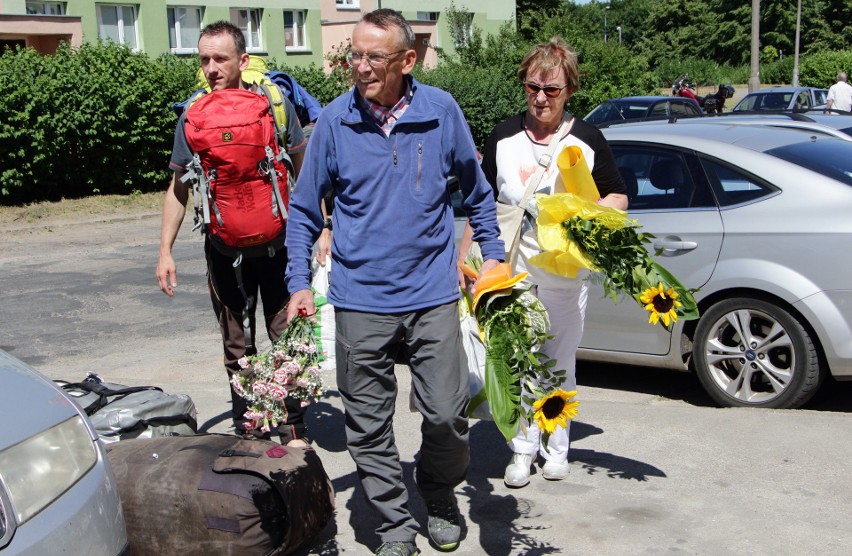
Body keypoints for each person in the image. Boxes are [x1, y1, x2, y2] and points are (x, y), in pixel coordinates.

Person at [284, 9, 503, 555]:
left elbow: (477, 193)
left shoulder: (440, 111)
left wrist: (493, 255)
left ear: (408, 60)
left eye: (373, 57)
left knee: (449, 415)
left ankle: (438, 491)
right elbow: (304, 211)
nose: (359, 67)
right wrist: (298, 283)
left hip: (431, 293)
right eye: (353, 56)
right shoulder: (334, 122)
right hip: (361, 298)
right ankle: (394, 525)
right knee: (367, 424)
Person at [460, 37, 628, 489]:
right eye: (533, 86)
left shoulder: (588, 140)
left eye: (551, 90)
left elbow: (618, 197)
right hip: (509, 270)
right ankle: (521, 449)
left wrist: (583, 216)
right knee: (515, 360)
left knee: (559, 359)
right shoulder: (503, 136)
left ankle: (557, 448)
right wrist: (464, 256)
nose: (540, 98)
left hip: (564, 274)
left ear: (569, 89)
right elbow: (484, 202)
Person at [156, 21, 309, 447]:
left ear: (243, 61)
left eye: (220, 58)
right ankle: (251, 428)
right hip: (223, 249)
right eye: (204, 59)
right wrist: (164, 251)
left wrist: (325, 227)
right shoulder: (193, 116)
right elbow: (178, 187)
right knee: (237, 345)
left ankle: (293, 429)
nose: (211, 68)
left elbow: (305, 170)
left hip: (279, 246)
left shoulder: (275, 106)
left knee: (287, 340)